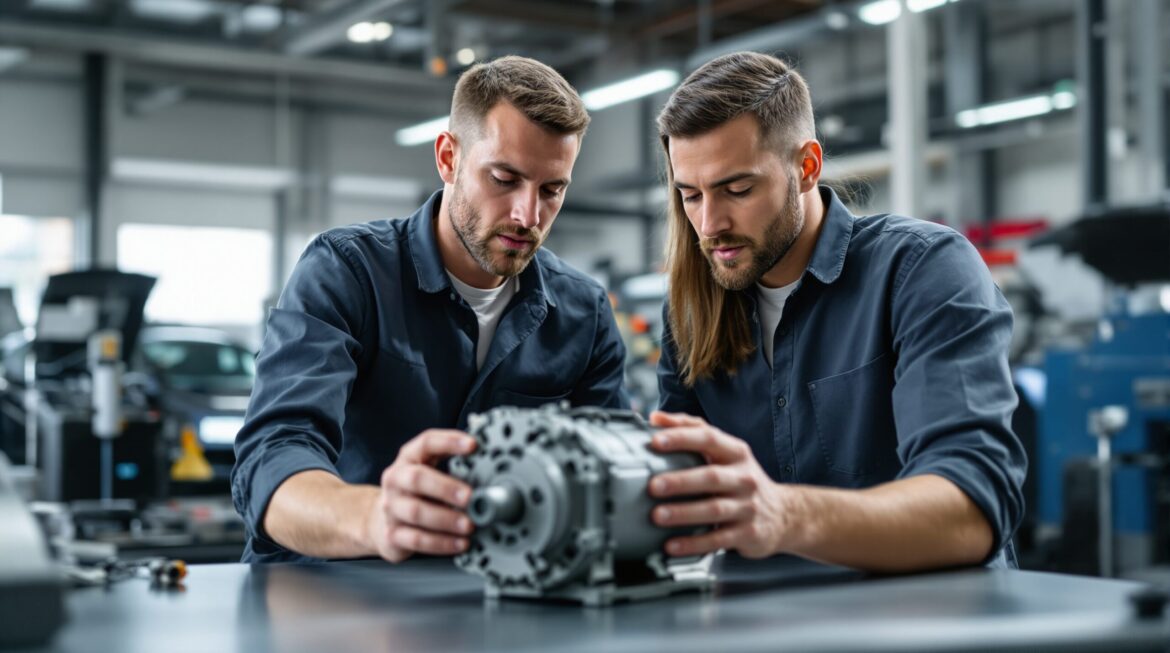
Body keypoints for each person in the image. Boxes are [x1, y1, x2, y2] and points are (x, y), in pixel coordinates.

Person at [232, 56, 629, 564]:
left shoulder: (583, 312)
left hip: (496, 593)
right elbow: (272, 457)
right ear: (448, 158)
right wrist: (373, 520)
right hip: (327, 588)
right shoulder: (346, 272)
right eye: (504, 178)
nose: (528, 215)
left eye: (551, 190)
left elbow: (614, 469)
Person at [647, 52, 1026, 572]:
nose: (710, 224)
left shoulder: (922, 269)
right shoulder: (691, 310)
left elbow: (972, 511)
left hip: (925, 610)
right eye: (690, 196)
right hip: (758, 612)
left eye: (738, 189)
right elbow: (674, 493)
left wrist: (782, 514)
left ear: (806, 167)